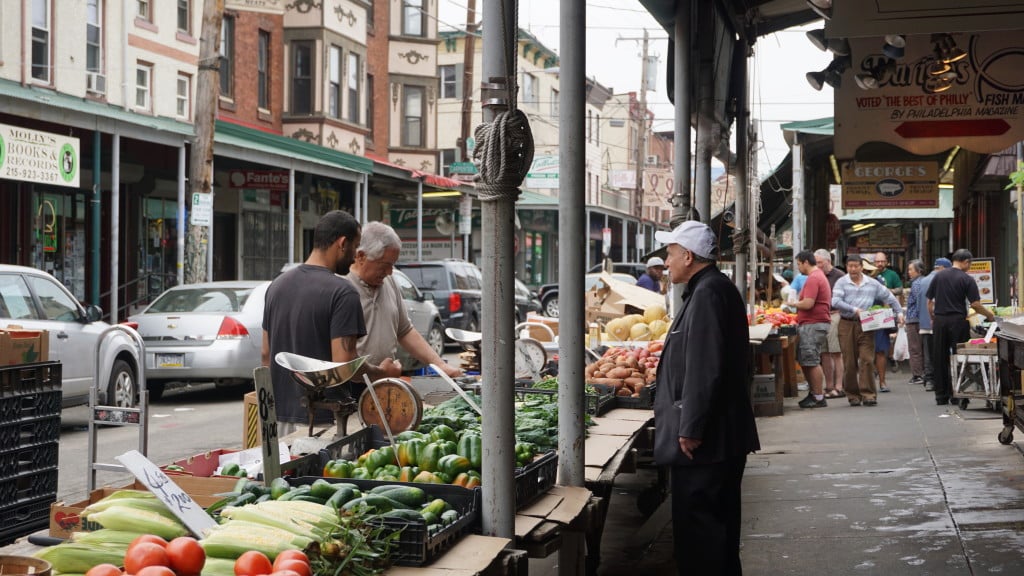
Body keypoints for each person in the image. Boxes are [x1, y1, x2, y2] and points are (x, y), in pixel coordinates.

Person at [651, 220, 760, 575]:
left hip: (709, 442)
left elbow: (704, 366)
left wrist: (691, 427)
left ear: (687, 255)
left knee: (704, 536)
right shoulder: (709, 289)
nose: (666, 262)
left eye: (669, 254)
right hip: (719, 436)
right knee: (716, 532)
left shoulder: (708, 293)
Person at [261, 210, 396, 435]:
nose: (355, 256)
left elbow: (266, 355)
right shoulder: (343, 292)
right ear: (342, 243)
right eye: (354, 247)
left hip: (277, 418)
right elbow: (345, 365)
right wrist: (381, 372)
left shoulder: (276, 286)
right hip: (322, 421)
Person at [346, 222, 463, 378]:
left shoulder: (390, 282)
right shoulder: (341, 285)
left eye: (392, 265)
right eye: (385, 265)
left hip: (385, 383)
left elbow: (405, 330)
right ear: (361, 256)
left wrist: (439, 365)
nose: (389, 272)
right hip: (350, 387)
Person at [831, 254, 904, 407]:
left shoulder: (872, 283)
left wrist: (899, 313)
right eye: (850, 266)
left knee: (867, 359)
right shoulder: (841, 282)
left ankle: (868, 394)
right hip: (846, 323)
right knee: (849, 362)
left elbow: (889, 297)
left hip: (867, 324)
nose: (852, 269)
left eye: (856, 266)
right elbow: (835, 301)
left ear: (861, 267)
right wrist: (854, 309)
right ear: (846, 267)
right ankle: (853, 395)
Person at [927, 249, 995, 406]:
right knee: (959, 357)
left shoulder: (939, 276)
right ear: (966, 262)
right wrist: (990, 315)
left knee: (939, 357)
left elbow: (929, 301)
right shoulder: (967, 279)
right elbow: (976, 304)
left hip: (940, 320)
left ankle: (941, 395)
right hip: (958, 321)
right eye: (970, 264)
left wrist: (933, 317)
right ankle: (956, 394)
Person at [793, 251, 832, 409]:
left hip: (813, 324)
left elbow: (808, 303)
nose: (798, 267)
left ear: (805, 262)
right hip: (812, 323)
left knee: (812, 360)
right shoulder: (817, 276)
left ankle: (818, 396)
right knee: (806, 360)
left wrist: (792, 303)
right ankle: (814, 393)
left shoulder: (814, 278)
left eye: (798, 264)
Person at [815, 249, 845, 398]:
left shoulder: (839, 276)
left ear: (828, 261)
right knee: (824, 353)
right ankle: (829, 386)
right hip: (821, 316)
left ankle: (839, 386)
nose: (818, 265)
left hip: (835, 315)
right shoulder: (816, 275)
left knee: (836, 352)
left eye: (820, 262)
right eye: (816, 262)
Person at [872, 252, 903, 393]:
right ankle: (868, 381)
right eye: (877, 262)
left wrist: (898, 312)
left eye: (881, 261)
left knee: (880, 350)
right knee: (866, 352)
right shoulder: (860, 280)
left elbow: (896, 293)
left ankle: (882, 381)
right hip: (863, 318)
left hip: (882, 316)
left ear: (886, 262)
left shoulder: (888, 277)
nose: (879, 264)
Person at [917, 258, 950, 392]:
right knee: (942, 352)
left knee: (928, 353)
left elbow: (919, 302)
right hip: (940, 321)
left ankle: (929, 379)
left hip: (925, 324)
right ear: (943, 268)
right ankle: (942, 380)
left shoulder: (922, 281)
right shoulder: (945, 280)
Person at [904, 260, 927, 387]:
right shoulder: (922, 282)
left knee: (914, 348)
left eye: (910, 270)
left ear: (919, 271)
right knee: (921, 347)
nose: (909, 272)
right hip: (919, 319)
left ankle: (917, 375)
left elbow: (919, 303)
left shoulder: (917, 284)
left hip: (914, 320)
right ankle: (922, 372)